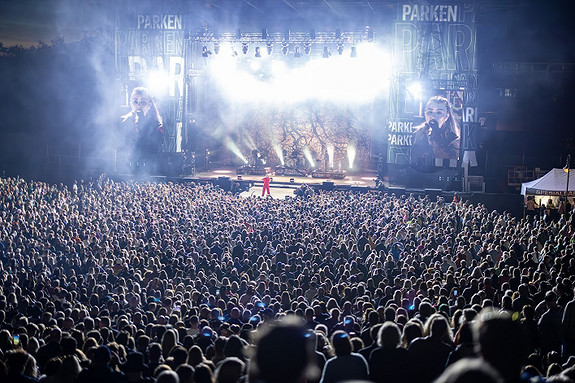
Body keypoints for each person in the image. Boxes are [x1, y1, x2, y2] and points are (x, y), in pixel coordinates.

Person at [121, 87, 164, 173]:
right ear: (130, 104)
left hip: (149, 170)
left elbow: (153, 147)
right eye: (135, 101)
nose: (138, 105)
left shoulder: (157, 126)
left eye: (143, 102)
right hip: (126, 168)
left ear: (149, 105)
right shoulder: (123, 122)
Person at [411, 96, 460, 167]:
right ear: (425, 114)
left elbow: (449, 161)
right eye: (430, 112)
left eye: (439, 112)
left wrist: (436, 136)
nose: (433, 116)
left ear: (446, 116)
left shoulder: (453, 139)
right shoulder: (416, 134)